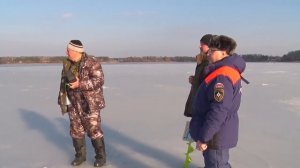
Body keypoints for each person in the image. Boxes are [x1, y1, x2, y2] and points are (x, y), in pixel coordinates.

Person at [189, 35, 246, 168]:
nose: (208, 53)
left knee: (217, 164)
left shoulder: (222, 76)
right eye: (209, 50)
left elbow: (218, 110)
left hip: (215, 134)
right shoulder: (222, 71)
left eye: (212, 51)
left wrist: (204, 137)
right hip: (216, 131)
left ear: (224, 52)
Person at [57, 40, 106, 167]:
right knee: (75, 131)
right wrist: (62, 99)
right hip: (74, 103)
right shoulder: (67, 64)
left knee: (94, 130)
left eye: (68, 50)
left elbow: (99, 80)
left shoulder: (91, 62)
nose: (66, 52)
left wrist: (80, 84)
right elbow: (63, 83)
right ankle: (80, 156)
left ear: (76, 51)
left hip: (89, 103)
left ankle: (100, 158)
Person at [184, 34, 213, 117]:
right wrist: (195, 80)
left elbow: (207, 84)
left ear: (209, 46)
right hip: (197, 105)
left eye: (202, 44)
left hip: (202, 108)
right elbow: (202, 80)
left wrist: (196, 80)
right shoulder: (202, 61)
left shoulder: (210, 63)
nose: (199, 46)